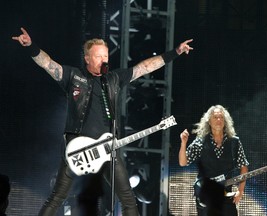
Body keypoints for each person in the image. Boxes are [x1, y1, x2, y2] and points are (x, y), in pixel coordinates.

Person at [12, 27, 193, 216]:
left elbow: (145, 67)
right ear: (87, 58)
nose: (104, 60)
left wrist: (176, 52)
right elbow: (48, 64)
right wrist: (31, 46)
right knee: (57, 197)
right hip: (77, 149)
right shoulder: (73, 76)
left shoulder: (113, 79)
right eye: (98, 56)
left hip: (107, 150)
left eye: (105, 56)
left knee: (128, 199)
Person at [178, 105, 249, 216]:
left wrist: (240, 190)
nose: (219, 120)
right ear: (209, 122)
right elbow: (183, 162)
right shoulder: (200, 142)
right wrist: (183, 143)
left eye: (221, 117)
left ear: (225, 122)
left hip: (227, 194)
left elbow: (243, 167)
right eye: (215, 117)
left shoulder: (234, 142)